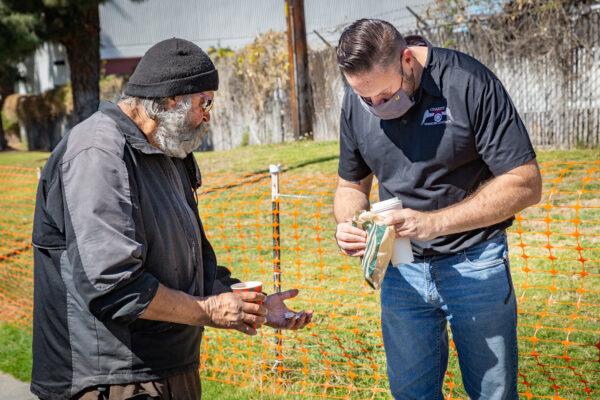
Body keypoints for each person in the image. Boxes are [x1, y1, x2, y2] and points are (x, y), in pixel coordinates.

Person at [31, 38, 313, 400]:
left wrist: (244, 303)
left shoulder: (168, 150)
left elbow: (187, 262)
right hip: (113, 378)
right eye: (203, 102)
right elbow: (112, 287)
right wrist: (209, 310)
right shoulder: (98, 153)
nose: (208, 115)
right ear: (168, 100)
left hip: (167, 369)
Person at [333, 19, 542, 400]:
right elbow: (350, 185)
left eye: (383, 96)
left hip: (476, 265)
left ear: (408, 60)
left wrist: (435, 223)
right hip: (401, 273)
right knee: (411, 394)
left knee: (493, 393)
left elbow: (525, 182)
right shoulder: (357, 98)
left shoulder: (468, 83)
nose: (375, 107)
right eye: (366, 100)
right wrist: (349, 223)